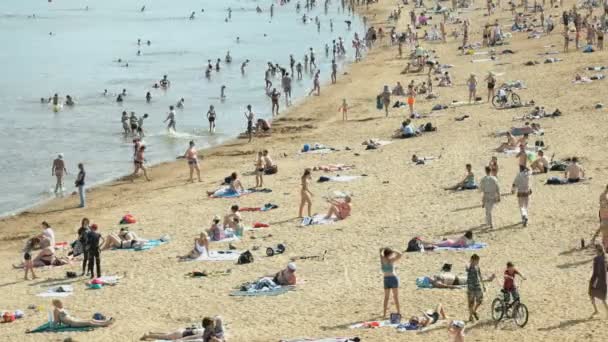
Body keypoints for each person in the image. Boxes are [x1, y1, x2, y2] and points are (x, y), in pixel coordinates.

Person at [140, 317, 220, 341]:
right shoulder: (205, 333)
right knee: (164, 337)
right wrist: (181, 340)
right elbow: (191, 337)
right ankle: (147, 335)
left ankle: (152, 332)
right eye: (212, 324)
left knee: (167, 334)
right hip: (180, 335)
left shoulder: (207, 331)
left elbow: (215, 338)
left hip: (182, 331)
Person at [380, 247, 402, 319]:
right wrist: (394, 249)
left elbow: (380, 251)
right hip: (393, 278)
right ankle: (399, 312)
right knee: (396, 297)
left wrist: (383, 249)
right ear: (389, 254)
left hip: (386, 279)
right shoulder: (391, 260)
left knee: (386, 297)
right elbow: (400, 254)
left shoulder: (382, 259)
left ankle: (384, 314)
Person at [589, 244, 608, 318]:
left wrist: (593, 281)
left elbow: (596, 271)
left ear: (597, 250)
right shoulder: (606, 257)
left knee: (591, 294)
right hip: (605, 280)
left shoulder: (596, 259)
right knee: (603, 297)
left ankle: (596, 310)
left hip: (597, 279)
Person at [466, 254, 485, 322]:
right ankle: (471, 317)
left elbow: (480, 276)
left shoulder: (477, 267)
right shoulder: (469, 266)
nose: (478, 262)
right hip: (471, 287)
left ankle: (474, 311)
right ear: (473, 260)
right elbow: (467, 267)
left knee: (480, 300)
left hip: (477, 286)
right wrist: (470, 262)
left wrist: (483, 285)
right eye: (477, 260)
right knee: (471, 302)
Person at [592, 185, 608, 251]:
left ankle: (594, 239)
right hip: (604, 217)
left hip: (603, 217)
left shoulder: (602, 195)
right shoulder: (604, 197)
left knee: (603, 232)